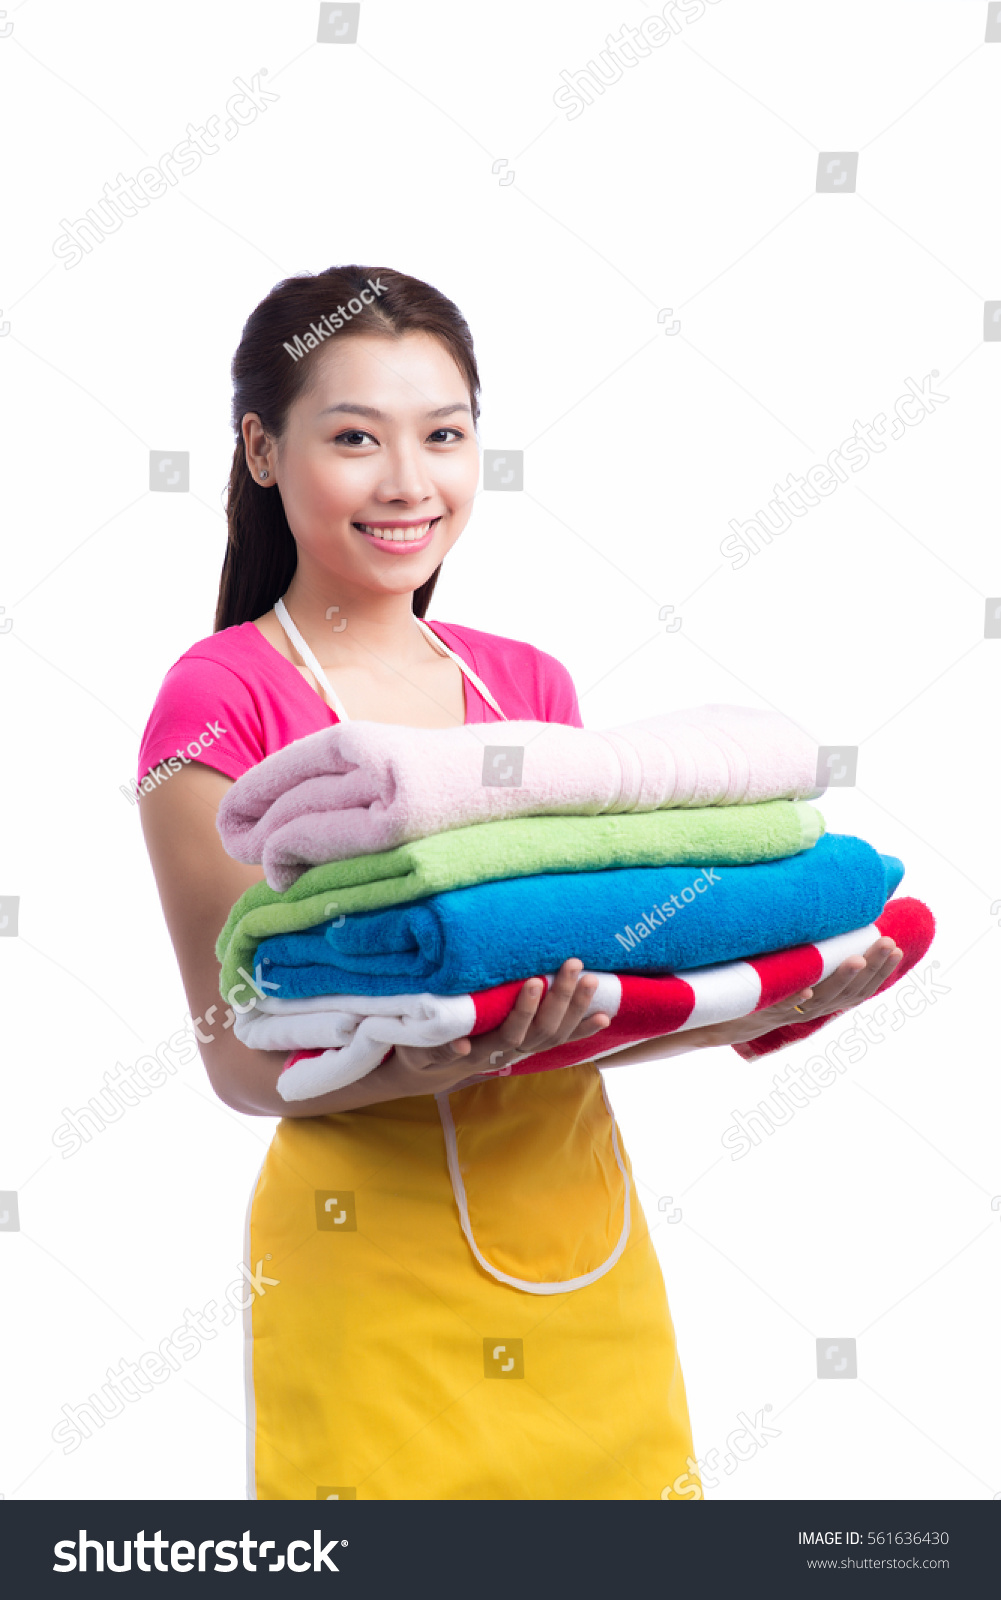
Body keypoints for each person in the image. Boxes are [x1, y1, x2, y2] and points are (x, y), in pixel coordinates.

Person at [137, 266, 902, 1501]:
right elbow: (239, 1052)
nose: (407, 481)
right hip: (365, 1265)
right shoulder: (217, 697)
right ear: (263, 453)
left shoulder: (524, 690)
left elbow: (568, 1012)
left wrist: (741, 1007)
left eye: (443, 434)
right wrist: (414, 1061)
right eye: (353, 438)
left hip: (577, 1234)